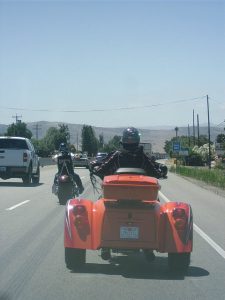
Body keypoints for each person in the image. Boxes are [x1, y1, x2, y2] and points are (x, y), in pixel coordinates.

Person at [91, 127, 164, 180]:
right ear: (138, 140)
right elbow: (155, 172)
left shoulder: (117, 155)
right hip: (140, 193)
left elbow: (101, 169)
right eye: (128, 140)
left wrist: (95, 168)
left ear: (123, 141)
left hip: (116, 193)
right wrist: (161, 172)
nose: (130, 142)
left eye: (132, 140)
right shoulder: (142, 156)